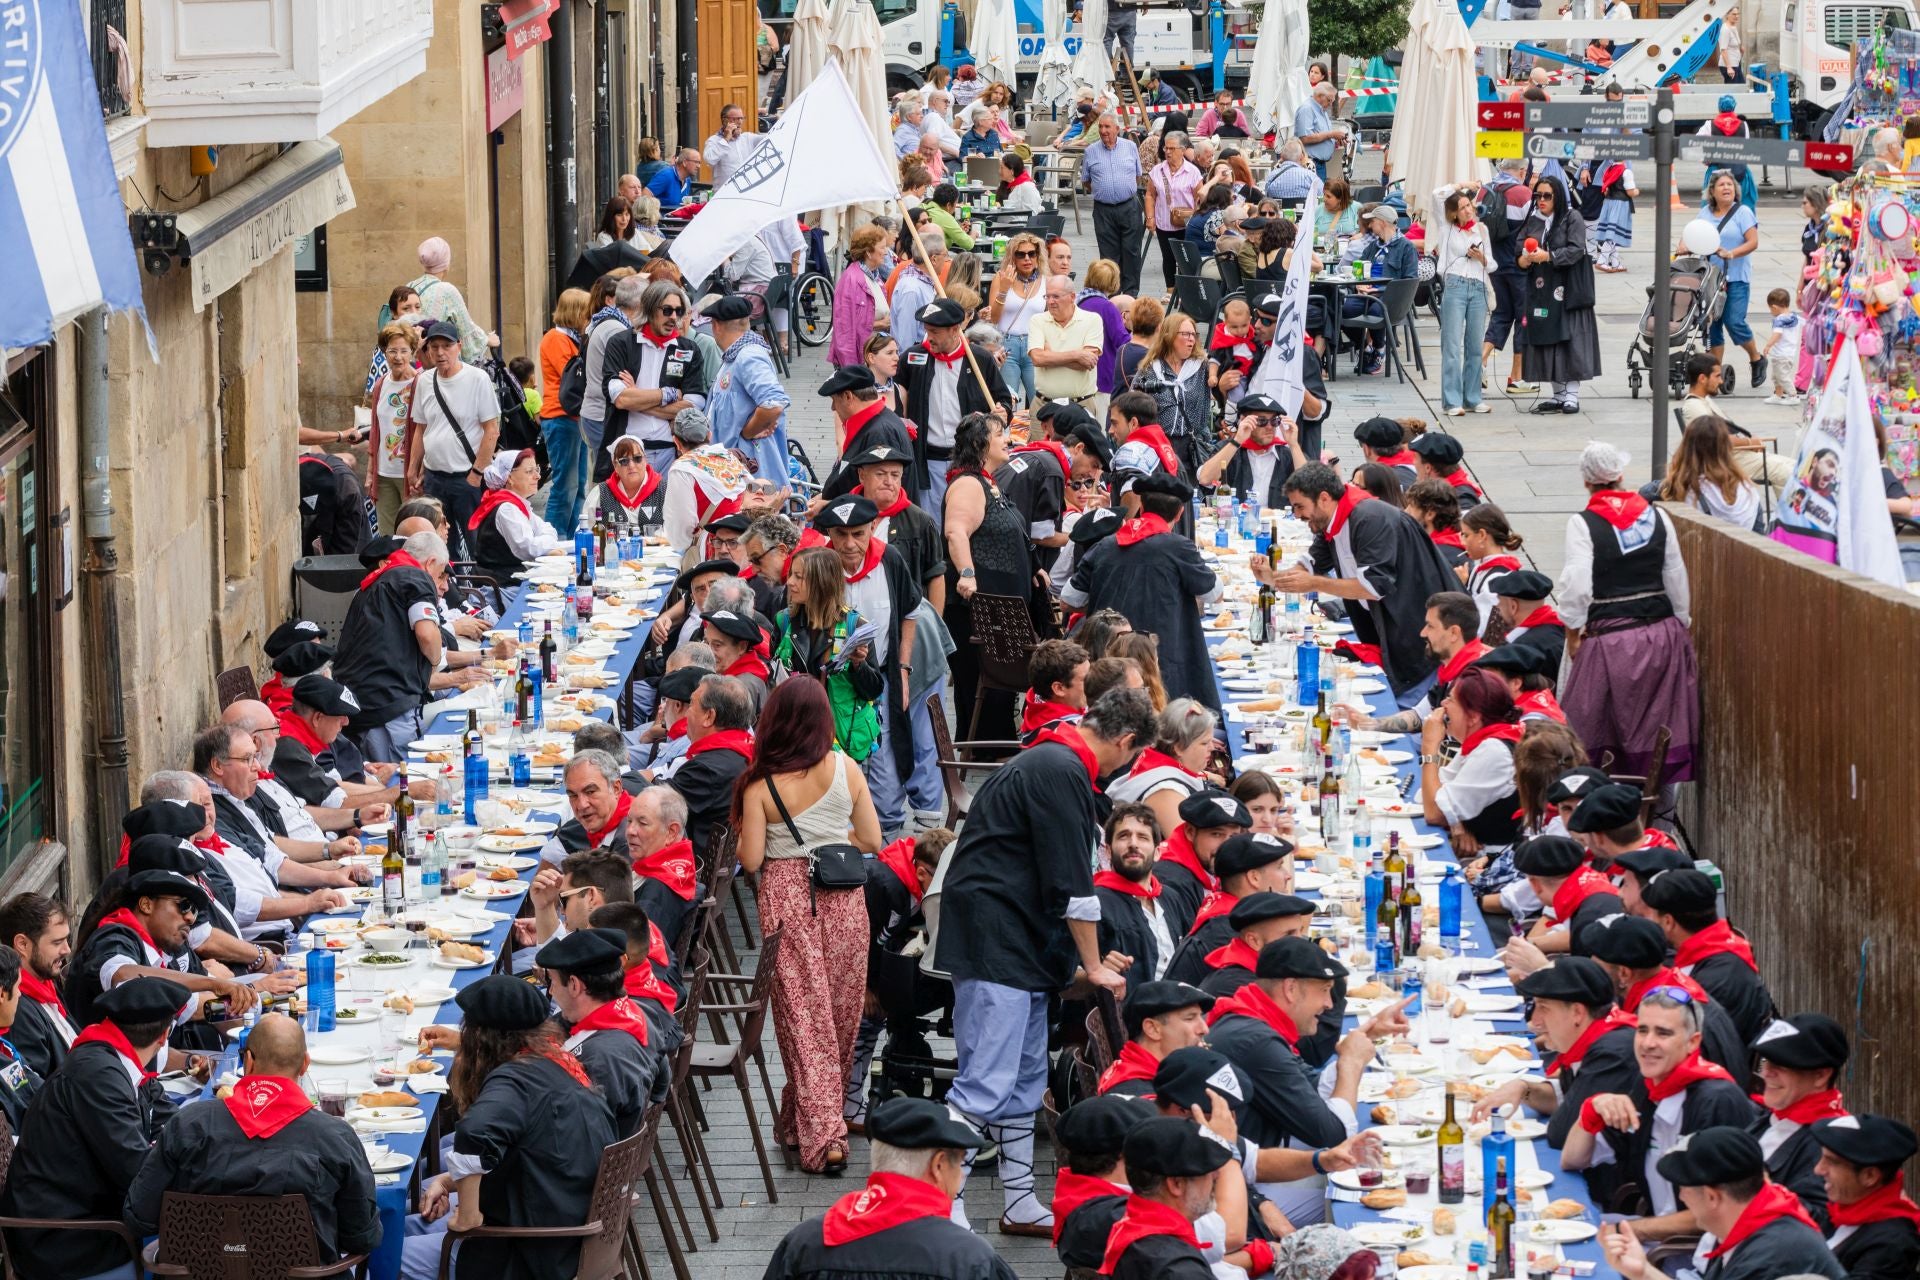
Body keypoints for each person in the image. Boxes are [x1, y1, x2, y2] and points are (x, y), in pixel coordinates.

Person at [934, 688, 1156, 1233]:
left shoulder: (1055, 759)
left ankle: (1018, 1200)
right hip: (998, 945)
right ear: (1126, 741)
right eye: (1133, 755)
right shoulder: (1061, 771)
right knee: (985, 1082)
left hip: (1018, 945)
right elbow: (1074, 888)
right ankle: (941, 1204)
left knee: (1026, 1078)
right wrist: (1093, 965)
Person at [732, 677, 882, 1175]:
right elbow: (872, 839)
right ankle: (811, 1124)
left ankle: (823, 1136)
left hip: (788, 900)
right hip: (844, 899)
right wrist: (828, 839)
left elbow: (752, 859)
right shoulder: (847, 768)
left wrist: (779, 844)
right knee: (837, 1017)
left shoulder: (761, 786)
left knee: (802, 1018)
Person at [400, 976, 615, 1280]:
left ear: (481, 1038)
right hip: (568, 1229)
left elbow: (474, 1132)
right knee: (403, 1227)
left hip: (527, 1252)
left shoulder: (513, 1081)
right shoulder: (555, 1062)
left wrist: (469, 1216)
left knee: (379, 1259)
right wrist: (449, 1182)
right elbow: (528, 1155)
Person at [125, 1011, 381, 1264]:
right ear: (305, 1064)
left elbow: (140, 1216)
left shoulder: (187, 1125)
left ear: (247, 1061)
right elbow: (361, 1238)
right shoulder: (335, 1137)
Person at [1204, 937, 1406, 1226]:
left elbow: (1312, 1088)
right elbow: (1334, 1134)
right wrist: (1350, 1063)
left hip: (1249, 1167)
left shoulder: (1252, 1019)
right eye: (1323, 991)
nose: (1328, 1004)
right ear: (1290, 988)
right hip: (1234, 1195)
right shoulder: (1255, 1040)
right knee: (1363, 1195)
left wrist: (1363, 1039)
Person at [0, 976, 189, 1280]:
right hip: (66, 1244)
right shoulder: (99, 1075)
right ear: (164, 1036)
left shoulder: (113, 1058)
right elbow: (138, 1177)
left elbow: (168, 1117)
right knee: (196, 1254)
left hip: (85, 1217)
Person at [1563, 991, 1762, 1236]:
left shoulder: (1718, 1102)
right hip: (1654, 1232)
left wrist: (1625, 1231)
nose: (1648, 1043)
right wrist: (1589, 1113)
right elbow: (1572, 1160)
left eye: (1663, 1033)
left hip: (1695, 1250)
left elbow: (1722, 1211)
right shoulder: (1648, 1086)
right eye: (1642, 1030)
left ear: (1693, 1042)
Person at [1558, 441, 1699, 782]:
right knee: (1660, 726)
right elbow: (1675, 576)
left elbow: (1577, 585)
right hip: (1661, 635)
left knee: (1591, 724)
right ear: (1621, 475)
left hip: (1609, 640)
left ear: (1586, 481)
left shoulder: (1583, 524)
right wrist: (1680, 625)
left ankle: (1603, 796)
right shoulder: (1658, 516)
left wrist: (1573, 633)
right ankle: (1655, 807)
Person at [1265, 463, 1455, 709]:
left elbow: (1373, 588)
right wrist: (1272, 578)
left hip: (1419, 633)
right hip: (1391, 631)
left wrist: (1314, 583)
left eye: (1300, 506)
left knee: (1408, 710)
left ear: (1324, 499)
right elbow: (1309, 566)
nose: (1297, 515)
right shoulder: (1332, 520)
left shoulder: (1370, 518)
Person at [764, 1096, 1012, 1280]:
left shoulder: (802, 1246)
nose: (959, 1177)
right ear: (938, 1166)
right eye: (959, 1164)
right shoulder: (972, 1261)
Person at [1063, 472, 1222, 713]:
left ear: (1142, 507)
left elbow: (1069, 599)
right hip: (1163, 663)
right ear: (1179, 513)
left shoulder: (1105, 545)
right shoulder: (1178, 547)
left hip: (1108, 662)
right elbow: (1214, 594)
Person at [1601, 1127, 1845, 1280]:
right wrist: (1643, 1272)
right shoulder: (1758, 1223)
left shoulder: (1768, 1259)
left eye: (1684, 1188)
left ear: (1712, 1197)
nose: (1682, 1197)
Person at [942, 412, 1034, 743]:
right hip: (977, 608)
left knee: (998, 687)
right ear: (981, 444)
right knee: (987, 684)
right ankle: (987, 750)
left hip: (998, 607)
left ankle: (990, 747)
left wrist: (1035, 568)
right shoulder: (968, 484)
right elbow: (956, 531)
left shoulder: (987, 482)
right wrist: (967, 573)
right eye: (1000, 434)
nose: (1008, 439)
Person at [532, 927, 663, 1140]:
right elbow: (662, 1082)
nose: (551, 991)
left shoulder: (596, 1061)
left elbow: (570, 1131)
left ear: (574, 985)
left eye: (552, 982)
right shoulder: (641, 1012)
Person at [1640, 867, 1778, 1044]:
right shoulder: (1716, 952)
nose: (1648, 920)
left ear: (1668, 922)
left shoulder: (1717, 980)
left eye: (1651, 914)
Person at [1096, 1115, 1239, 1280]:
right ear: (1177, 1184)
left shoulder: (1128, 1229)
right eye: (1207, 1171)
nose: (1217, 1175)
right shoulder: (1180, 1270)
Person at [403, 319, 501, 555]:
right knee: (439, 545)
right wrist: (413, 468)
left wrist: (476, 474)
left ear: (459, 346)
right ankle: (448, 579)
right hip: (434, 477)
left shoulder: (477, 378)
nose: (440, 353)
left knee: (476, 543)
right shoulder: (424, 381)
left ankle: (479, 579)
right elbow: (421, 428)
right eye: (434, 347)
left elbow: (491, 429)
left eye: (446, 346)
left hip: (466, 477)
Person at [600, 278, 708, 480]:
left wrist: (637, 398)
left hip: (671, 450)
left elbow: (692, 407)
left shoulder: (688, 349)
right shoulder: (621, 344)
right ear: (650, 309)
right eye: (667, 310)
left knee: (668, 501)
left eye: (678, 311)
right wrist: (667, 394)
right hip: (628, 450)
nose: (673, 317)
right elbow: (620, 399)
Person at [1517, 175, 1602, 413]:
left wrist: (1549, 256)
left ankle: (1571, 395)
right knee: (1547, 340)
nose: (1541, 200)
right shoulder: (1533, 220)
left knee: (1570, 341)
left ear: (1558, 197)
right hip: (1541, 290)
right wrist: (1524, 259)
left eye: (1547, 195)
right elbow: (1518, 250)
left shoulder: (1571, 217)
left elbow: (1576, 249)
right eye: (1538, 195)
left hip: (1568, 289)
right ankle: (1558, 395)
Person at [1812, 1114, 1920, 1279]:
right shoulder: (1841, 1209)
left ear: (1869, 1176)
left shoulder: (1890, 1246)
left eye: (1832, 1162)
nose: (1818, 1169)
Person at [670, 674, 757, 861]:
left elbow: (656, 806)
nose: (686, 713)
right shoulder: (744, 751)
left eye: (691, 704)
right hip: (718, 859)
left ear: (709, 716)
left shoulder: (706, 770)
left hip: (689, 865)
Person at [706, 294, 790, 483]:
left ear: (716, 325)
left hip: (753, 474)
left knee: (759, 502)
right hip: (734, 470)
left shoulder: (748, 356)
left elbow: (774, 403)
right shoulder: (734, 356)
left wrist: (747, 432)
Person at [1698, 169, 1765, 388]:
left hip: (1735, 276)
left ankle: (1756, 358)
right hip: (1710, 278)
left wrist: (1731, 253)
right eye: (1721, 185)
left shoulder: (1743, 212)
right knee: (1712, 325)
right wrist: (1682, 247)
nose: (1726, 188)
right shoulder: (1705, 213)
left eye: (1729, 185)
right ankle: (1715, 375)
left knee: (1734, 321)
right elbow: (1691, 235)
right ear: (1712, 191)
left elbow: (1753, 241)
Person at [1433, 187, 1494, 416]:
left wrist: (1481, 257)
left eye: (1468, 205)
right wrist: (1462, 184)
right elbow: (1437, 195)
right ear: (1453, 213)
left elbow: (1492, 265)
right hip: (1455, 285)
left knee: (1475, 345)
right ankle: (1451, 401)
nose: (1468, 210)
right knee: (1451, 345)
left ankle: (1473, 397)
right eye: (1462, 208)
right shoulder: (1447, 229)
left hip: (1478, 286)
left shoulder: (1481, 230)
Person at [0, 893, 75, 1080]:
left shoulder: (46, 981)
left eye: (66, 940)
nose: (67, 949)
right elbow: (35, 1090)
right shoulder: (16, 1010)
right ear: (22, 944)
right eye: (57, 942)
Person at [1128, 316, 1211, 479]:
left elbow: (1220, 386)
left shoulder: (1202, 368)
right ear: (1169, 335)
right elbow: (1132, 404)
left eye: (1194, 334)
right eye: (1185, 334)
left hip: (1192, 447)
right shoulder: (1151, 369)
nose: (1191, 339)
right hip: (1159, 445)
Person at [661, 407, 751, 557]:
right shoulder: (729, 457)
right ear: (709, 435)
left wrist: (683, 549)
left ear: (676, 441)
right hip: (748, 541)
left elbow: (681, 524)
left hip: (718, 546)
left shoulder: (682, 469)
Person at [1342, 206, 1418, 376]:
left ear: (1382, 223)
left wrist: (1379, 289)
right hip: (1367, 294)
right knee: (1343, 311)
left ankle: (1379, 349)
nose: (1369, 225)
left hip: (1391, 297)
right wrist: (1358, 284)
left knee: (1376, 311)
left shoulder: (1406, 247)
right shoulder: (1373, 247)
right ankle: (1366, 348)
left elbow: (1409, 281)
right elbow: (1358, 269)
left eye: (1373, 222)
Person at [467, 448, 563, 582]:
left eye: (537, 469)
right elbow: (528, 549)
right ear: (509, 477)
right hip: (502, 586)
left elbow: (547, 529)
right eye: (529, 471)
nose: (538, 476)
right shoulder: (507, 509)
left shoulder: (514, 503)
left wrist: (545, 542)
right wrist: (549, 542)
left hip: (510, 580)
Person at [820, 365, 915, 500]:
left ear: (848, 396)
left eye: (834, 400)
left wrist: (828, 504)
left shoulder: (881, 433)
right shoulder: (873, 423)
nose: (833, 407)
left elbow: (882, 497)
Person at [1662, 415, 1763, 531]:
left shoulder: (1681, 488)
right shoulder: (1748, 490)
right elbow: (1759, 532)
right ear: (1726, 448)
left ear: (1686, 448)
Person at [1083, 114, 1146, 296]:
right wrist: (1104, 190)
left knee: (1132, 251)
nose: (1103, 131)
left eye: (1107, 127)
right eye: (1101, 127)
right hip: (1103, 209)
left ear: (1117, 129)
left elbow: (1137, 175)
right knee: (1108, 254)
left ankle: (1131, 293)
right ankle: (1112, 293)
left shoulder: (1130, 147)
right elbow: (1086, 181)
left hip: (1129, 206)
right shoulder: (1091, 151)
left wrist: (1122, 189)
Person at [410, 236, 497, 362]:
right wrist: (488, 339)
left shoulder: (411, 286)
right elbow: (466, 331)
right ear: (446, 264)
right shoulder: (447, 290)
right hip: (435, 360)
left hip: (411, 358)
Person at [987, 233, 1047, 404]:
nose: (1027, 259)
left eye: (1032, 253)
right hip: (1007, 344)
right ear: (1012, 257)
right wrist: (1004, 290)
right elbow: (994, 318)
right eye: (1021, 254)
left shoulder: (1045, 280)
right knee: (1008, 400)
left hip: (1034, 344)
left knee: (1039, 402)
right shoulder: (1001, 278)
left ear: (1038, 256)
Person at [1030, 275, 1105, 407]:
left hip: (1081, 404)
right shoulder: (1037, 320)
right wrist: (1077, 355)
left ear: (1072, 297)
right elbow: (1037, 359)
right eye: (1047, 296)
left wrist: (1050, 356)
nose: (1050, 301)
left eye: (1056, 296)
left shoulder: (1093, 320)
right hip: (1043, 404)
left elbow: (1087, 364)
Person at [1144, 131, 1202, 290]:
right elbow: (1150, 195)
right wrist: (1150, 218)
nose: (1168, 152)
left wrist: (1196, 220)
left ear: (1183, 150)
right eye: (1166, 148)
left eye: (1172, 148)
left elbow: (1199, 199)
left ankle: (1186, 291)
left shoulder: (1193, 172)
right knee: (1168, 257)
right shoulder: (1157, 170)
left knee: (1186, 259)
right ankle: (1170, 290)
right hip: (1164, 222)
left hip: (1187, 224)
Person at [830, 225, 893, 371]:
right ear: (869, 253)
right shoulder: (851, 280)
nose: (886, 252)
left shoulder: (874, 276)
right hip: (858, 358)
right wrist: (850, 368)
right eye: (882, 247)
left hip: (871, 354)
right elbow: (844, 327)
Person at [580, 433, 666, 533]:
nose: (631, 465)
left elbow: (674, 533)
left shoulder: (664, 490)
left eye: (637, 458)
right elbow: (585, 531)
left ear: (645, 460)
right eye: (624, 461)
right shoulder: (600, 493)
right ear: (615, 465)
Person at [1293, 82, 1343, 179]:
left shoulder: (1321, 110)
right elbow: (1304, 138)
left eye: (1332, 101)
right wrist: (1331, 134)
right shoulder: (1307, 109)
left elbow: (1322, 134)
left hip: (1318, 164)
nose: (1330, 104)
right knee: (1315, 189)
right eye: (1329, 100)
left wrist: (1335, 140)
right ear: (1320, 96)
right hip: (1310, 163)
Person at [703, 102, 758, 188]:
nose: (740, 122)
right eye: (736, 119)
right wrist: (726, 139)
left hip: (746, 190)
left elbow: (770, 137)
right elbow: (709, 159)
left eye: (742, 118)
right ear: (725, 120)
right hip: (725, 192)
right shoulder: (714, 140)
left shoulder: (748, 138)